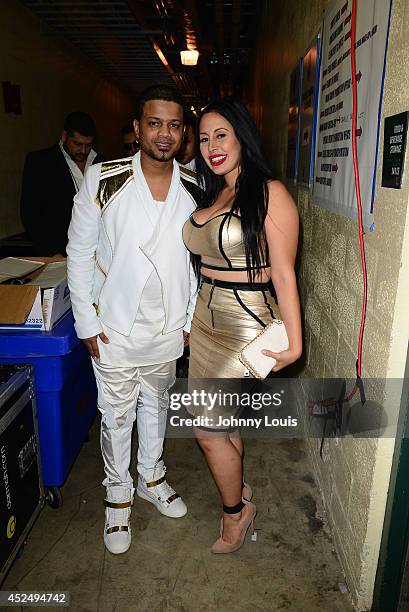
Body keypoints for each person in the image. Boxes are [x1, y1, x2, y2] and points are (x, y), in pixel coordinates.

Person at [66, 85, 200, 555]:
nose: (165, 134)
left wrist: (188, 318)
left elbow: (197, 263)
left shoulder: (195, 187)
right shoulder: (103, 179)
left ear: (184, 133)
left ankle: (152, 477)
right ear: (138, 127)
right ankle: (117, 496)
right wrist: (85, 320)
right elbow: (79, 253)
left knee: (157, 406)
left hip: (167, 328)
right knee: (117, 414)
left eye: (175, 125)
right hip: (114, 326)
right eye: (155, 123)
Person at [182, 98, 302, 554]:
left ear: (241, 136)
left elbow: (285, 272)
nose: (212, 146)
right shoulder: (215, 192)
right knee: (221, 421)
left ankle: (236, 513)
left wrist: (294, 340)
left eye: (222, 135)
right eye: (205, 137)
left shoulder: (269, 192)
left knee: (207, 429)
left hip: (246, 327)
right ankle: (240, 488)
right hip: (205, 321)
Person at [20, 111, 103, 256]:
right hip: (59, 253)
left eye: (88, 145)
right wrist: (51, 252)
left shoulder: (103, 162)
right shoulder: (40, 162)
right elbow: (30, 213)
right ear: (64, 136)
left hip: (98, 253)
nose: (83, 151)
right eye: (77, 144)